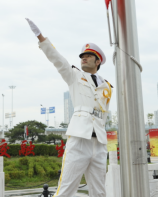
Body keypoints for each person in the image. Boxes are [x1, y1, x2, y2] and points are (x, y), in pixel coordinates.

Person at [26, 18, 113, 197]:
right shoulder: (74, 75)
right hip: (80, 139)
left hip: (99, 142)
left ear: (98, 61)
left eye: (88, 56)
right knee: (66, 190)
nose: (83, 58)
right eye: (82, 56)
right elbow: (57, 60)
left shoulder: (107, 86)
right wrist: (41, 38)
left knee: (99, 192)